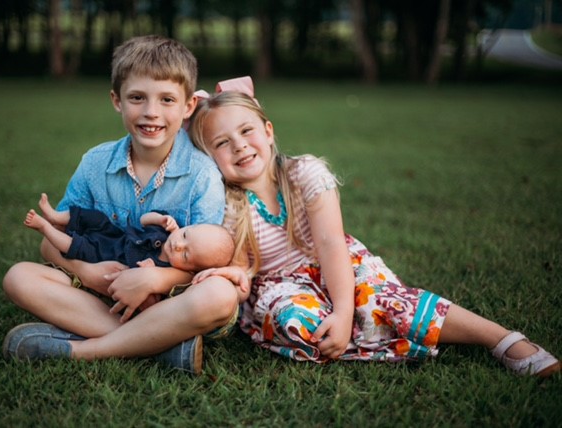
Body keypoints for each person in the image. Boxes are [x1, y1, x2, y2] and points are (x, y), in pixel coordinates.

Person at [187, 77, 560, 377]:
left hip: (339, 264)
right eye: (222, 142)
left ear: (268, 131)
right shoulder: (226, 204)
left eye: (247, 131)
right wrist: (232, 276)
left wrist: (345, 310)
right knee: (299, 324)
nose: (239, 146)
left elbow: (332, 244)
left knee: (383, 302)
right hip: (279, 285)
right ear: (209, 158)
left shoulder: (305, 174)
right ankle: (389, 335)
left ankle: (501, 339)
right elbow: (240, 263)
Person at [2, 35, 241, 375]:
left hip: (169, 301)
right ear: (117, 100)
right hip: (103, 294)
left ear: (188, 106)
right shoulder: (96, 164)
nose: (151, 112)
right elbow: (50, 241)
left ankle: (89, 349)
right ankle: (162, 346)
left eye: (167, 99)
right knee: (18, 277)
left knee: (220, 295)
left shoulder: (202, 175)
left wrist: (152, 281)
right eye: (137, 98)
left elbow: (206, 263)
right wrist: (86, 272)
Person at [24, 193, 235, 272]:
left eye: (186, 255)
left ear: (191, 269)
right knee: (94, 218)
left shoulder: (162, 269)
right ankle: (55, 216)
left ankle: (45, 227)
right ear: (186, 227)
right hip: (114, 234)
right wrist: (159, 218)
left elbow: (139, 290)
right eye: (185, 235)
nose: (178, 245)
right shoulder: (165, 230)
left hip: (103, 255)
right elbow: (143, 220)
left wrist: (144, 272)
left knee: (74, 246)